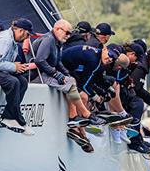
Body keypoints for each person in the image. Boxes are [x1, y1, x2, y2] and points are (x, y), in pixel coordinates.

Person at [31, 20, 104, 152]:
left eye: (70, 34)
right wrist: (58, 75)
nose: (68, 36)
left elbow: (58, 62)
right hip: (36, 75)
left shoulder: (58, 42)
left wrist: (66, 74)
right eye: (67, 33)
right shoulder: (48, 40)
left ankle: (79, 129)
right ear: (58, 29)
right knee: (70, 84)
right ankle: (84, 115)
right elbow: (39, 60)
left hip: (45, 73)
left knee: (74, 85)